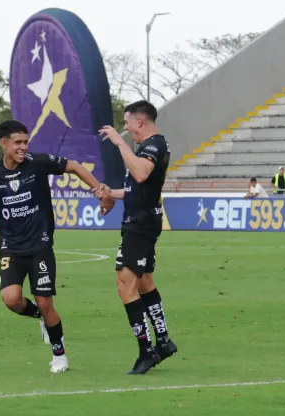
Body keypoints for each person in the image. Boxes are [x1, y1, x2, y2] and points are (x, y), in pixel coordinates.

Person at [0, 119, 102, 373]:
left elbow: (75, 167)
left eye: (26, 142)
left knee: (46, 303)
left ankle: (59, 355)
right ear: (4, 144)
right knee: (11, 299)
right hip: (10, 248)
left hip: (40, 247)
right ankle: (40, 319)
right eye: (17, 143)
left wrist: (99, 190)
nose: (23, 147)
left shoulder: (39, 163)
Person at [95, 100, 178, 375]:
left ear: (139, 122)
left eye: (127, 122)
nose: (126, 128)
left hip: (140, 225)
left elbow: (141, 174)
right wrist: (110, 192)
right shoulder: (147, 148)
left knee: (124, 283)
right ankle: (163, 341)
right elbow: (134, 188)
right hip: (141, 221)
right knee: (144, 281)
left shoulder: (154, 145)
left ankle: (147, 351)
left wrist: (120, 144)